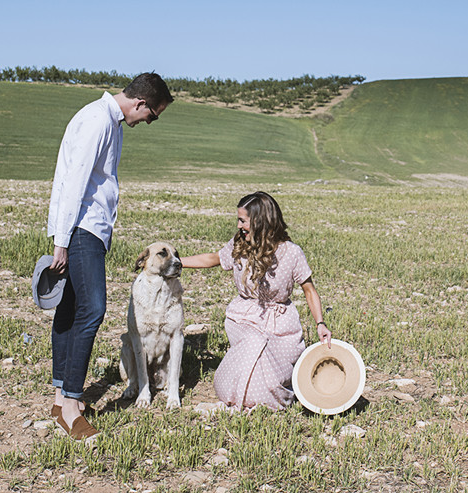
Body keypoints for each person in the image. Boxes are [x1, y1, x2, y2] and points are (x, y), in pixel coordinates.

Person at [46, 72, 173, 440]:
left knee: (70, 308)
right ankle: (70, 406)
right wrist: (62, 239)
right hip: (81, 228)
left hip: (89, 229)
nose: (149, 122)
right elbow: (74, 183)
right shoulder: (98, 121)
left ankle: (60, 396)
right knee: (93, 309)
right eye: (153, 115)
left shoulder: (109, 122)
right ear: (140, 103)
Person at [181, 191, 332, 411]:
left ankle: (264, 398)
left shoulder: (291, 252)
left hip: (281, 327)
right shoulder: (240, 243)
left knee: (270, 380)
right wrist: (177, 262)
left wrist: (320, 324)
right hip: (245, 319)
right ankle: (245, 396)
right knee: (253, 344)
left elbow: (309, 290)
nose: (239, 226)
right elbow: (213, 258)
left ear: (261, 222)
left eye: (243, 221)